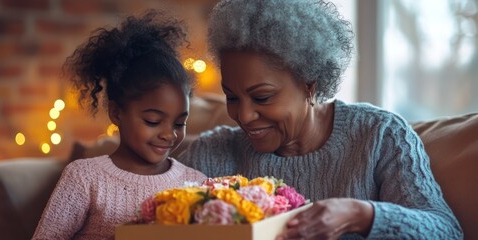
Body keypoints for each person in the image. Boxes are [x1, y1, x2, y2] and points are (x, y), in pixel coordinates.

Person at [179, 0, 463, 239]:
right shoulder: (211, 154)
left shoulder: (379, 135)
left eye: (262, 97)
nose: (244, 116)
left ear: (309, 84)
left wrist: (361, 216)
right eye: (232, 97)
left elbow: (446, 230)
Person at [33, 10, 207, 239]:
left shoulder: (196, 183)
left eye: (179, 123)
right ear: (116, 112)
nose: (169, 134)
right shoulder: (85, 178)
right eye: (153, 121)